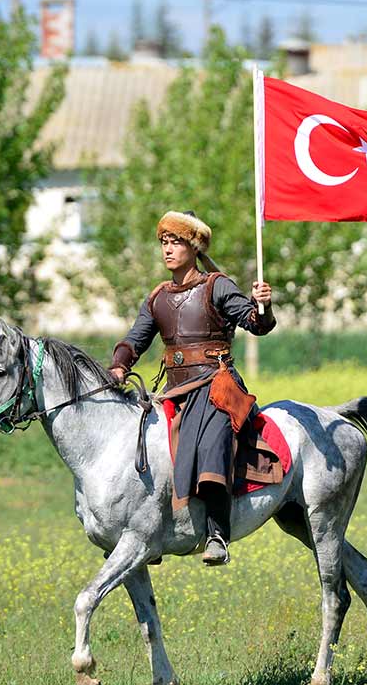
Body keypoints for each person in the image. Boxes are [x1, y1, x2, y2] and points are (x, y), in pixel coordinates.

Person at [108, 211, 275, 565]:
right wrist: (120, 364)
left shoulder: (217, 286)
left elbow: (256, 324)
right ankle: (149, 532)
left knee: (212, 442)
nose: (168, 250)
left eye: (176, 242)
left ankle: (217, 534)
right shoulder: (159, 297)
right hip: (174, 392)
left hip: (217, 386)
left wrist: (263, 305)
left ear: (194, 246)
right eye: (164, 242)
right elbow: (135, 338)